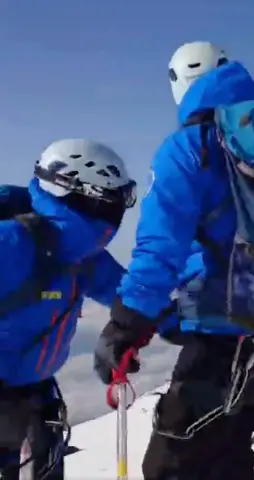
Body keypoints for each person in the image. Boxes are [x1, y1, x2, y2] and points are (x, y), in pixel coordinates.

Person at [92, 41, 254, 480]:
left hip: (228, 329)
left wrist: (127, 325)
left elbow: (159, 249)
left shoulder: (188, 148)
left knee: (171, 466)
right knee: (227, 447)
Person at [0, 139, 136, 480]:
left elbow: (134, 297)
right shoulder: (11, 244)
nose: (118, 211)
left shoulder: (83, 255)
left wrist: (132, 328)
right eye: (113, 199)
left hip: (36, 396)